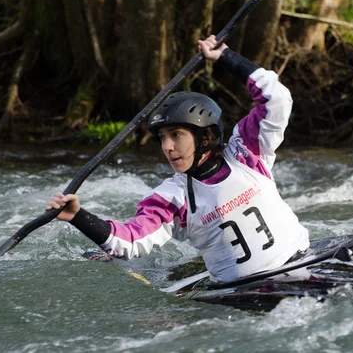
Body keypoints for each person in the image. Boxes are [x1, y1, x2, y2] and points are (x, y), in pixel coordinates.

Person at [46, 35, 310, 283]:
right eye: (162, 137)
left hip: (305, 261)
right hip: (245, 289)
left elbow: (276, 99)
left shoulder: (247, 153)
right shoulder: (173, 197)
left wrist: (226, 57)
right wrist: (78, 216)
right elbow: (128, 241)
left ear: (205, 137)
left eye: (176, 134)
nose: (167, 146)